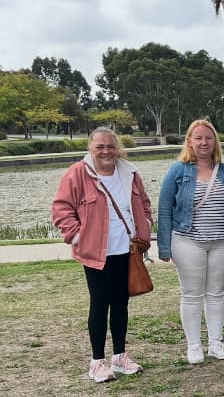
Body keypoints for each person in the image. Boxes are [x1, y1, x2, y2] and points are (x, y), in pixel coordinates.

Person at [52, 127, 152, 382]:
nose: (106, 151)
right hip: (97, 253)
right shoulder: (77, 174)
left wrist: (145, 226)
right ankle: (97, 361)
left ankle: (119, 357)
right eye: (100, 147)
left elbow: (144, 204)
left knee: (121, 303)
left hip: (126, 250)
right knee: (99, 304)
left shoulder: (129, 173)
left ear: (117, 148)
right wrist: (78, 236)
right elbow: (61, 209)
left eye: (111, 146)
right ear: (90, 148)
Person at [157, 119, 224, 364]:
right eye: (198, 138)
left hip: (222, 241)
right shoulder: (178, 171)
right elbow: (164, 208)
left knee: (216, 293)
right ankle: (194, 346)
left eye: (208, 138)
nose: (204, 142)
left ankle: (216, 342)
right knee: (192, 293)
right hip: (188, 240)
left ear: (215, 141)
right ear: (189, 141)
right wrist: (164, 246)